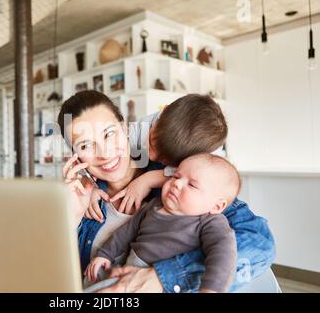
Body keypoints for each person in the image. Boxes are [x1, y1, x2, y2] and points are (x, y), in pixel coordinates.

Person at [58, 90, 275, 293]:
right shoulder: (83, 202)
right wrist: (72, 216)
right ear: (75, 156)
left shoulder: (180, 183)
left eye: (109, 134)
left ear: (125, 128)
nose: (104, 153)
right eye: (85, 145)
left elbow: (260, 244)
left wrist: (163, 277)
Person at [86, 154, 239, 293]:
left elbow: (223, 255)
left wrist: (211, 289)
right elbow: (126, 232)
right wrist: (105, 254)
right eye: (175, 176)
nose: (177, 184)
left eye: (192, 185)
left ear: (216, 206)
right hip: (130, 271)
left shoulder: (210, 222)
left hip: (166, 285)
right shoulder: (154, 205)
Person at [87, 94, 228, 221]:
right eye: (151, 143)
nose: (152, 157)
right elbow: (99, 154)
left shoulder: (210, 158)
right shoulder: (139, 129)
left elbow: (207, 180)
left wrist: (149, 180)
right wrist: (88, 185)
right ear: (163, 112)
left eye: (164, 160)